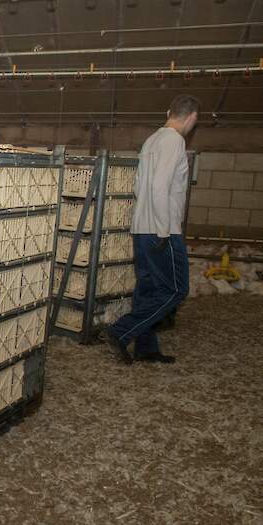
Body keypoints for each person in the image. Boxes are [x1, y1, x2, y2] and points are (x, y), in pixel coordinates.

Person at [106, 94, 199, 365]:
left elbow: (139, 187)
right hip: (162, 228)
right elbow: (160, 186)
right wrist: (163, 230)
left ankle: (146, 347)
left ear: (169, 111)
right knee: (175, 290)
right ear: (192, 117)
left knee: (148, 288)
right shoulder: (174, 141)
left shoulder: (152, 140)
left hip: (142, 225)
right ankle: (121, 331)